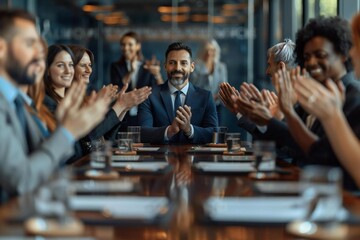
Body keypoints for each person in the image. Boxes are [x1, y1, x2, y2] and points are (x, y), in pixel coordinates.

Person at [0, 9, 110, 198]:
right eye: (29, 44)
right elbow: (20, 179)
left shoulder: (17, 103)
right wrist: (67, 132)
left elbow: (43, 163)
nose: (38, 55)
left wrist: (62, 125)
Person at [44, 44, 152, 161]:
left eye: (70, 65)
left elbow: (102, 141)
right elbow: (85, 142)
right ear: (47, 70)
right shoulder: (48, 103)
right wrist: (120, 106)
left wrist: (123, 108)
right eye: (60, 65)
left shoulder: (79, 100)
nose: (89, 70)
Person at [293, 13, 360, 188]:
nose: (352, 52)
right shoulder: (318, 95)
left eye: (320, 54)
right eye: (306, 57)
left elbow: (324, 156)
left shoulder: (354, 96)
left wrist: (332, 116)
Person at [137, 42, 218, 144]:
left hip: (196, 158)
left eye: (183, 63)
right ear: (165, 66)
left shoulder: (206, 97)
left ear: (192, 67)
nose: (177, 68)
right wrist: (169, 131)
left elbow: (214, 134)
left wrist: (190, 130)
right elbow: (142, 133)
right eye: (172, 63)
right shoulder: (149, 95)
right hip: (159, 158)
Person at [219, 39, 296, 139]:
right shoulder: (284, 97)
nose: (267, 72)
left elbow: (281, 142)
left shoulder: (296, 100)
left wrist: (268, 120)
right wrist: (241, 111)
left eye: (269, 65)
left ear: (281, 67)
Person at [110, 31, 163, 127]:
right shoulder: (116, 66)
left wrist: (157, 74)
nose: (126, 48)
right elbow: (118, 89)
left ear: (138, 46)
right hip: (123, 114)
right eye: (123, 45)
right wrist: (131, 71)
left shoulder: (148, 66)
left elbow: (160, 90)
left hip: (144, 113)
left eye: (130, 44)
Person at [191, 39, 228, 124]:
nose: (209, 53)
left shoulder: (221, 67)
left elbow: (224, 86)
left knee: (215, 129)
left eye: (212, 50)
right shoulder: (195, 67)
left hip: (216, 105)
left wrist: (214, 97)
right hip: (199, 105)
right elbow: (194, 86)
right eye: (206, 50)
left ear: (215, 51)